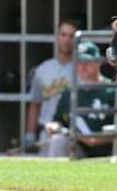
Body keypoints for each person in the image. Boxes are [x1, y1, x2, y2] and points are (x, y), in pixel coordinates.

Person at [47, 41, 115, 158]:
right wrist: (53, 126)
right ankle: (55, 175)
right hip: (79, 149)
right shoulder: (69, 92)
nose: (82, 66)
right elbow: (57, 120)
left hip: (109, 151)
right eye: (79, 62)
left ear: (98, 62)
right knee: (58, 140)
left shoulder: (111, 89)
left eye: (87, 61)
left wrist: (99, 139)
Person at [24, 19, 79, 156]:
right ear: (57, 37)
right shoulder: (43, 69)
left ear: (77, 39)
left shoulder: (81, 69)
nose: (67, 40)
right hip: (46, 131)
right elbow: (35, 104)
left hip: (71, 132)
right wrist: (30, 132)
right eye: (63, 35)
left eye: (71, 36)